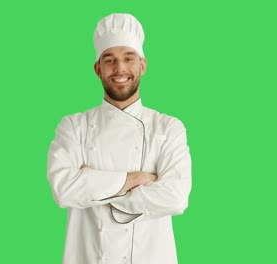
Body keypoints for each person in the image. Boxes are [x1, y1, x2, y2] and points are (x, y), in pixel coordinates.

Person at [47, 13, 192, 264]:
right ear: (97, 69)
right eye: (109, 59)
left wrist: (94, 187)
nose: (120, 69)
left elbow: (176, 198)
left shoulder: (168, 128)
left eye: (128, 58)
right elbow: (63, 189)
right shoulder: (73, 126)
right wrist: (134, 180)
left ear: (142, 65)